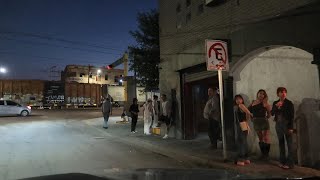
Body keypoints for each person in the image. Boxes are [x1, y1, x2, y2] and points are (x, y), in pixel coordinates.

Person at [271, 87, 295, 169]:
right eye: (281, 92)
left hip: (287, 124)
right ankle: (282, 161)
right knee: (281, 144)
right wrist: (276, 106)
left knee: (289, 144)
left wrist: (291, 127)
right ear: (278, 94)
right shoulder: (275, 102)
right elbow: (272, 113)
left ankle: (290, 163)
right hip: (278, 124)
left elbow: (292, 116)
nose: (284, 93)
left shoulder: (289, 103)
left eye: (285, 92)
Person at [248, 89, 272, 159]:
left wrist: (266, 117)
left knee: (266, 138)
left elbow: (269, 113)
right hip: (256, 121)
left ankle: (266, 155)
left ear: (264, 96)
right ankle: (263, 154)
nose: (261, 95)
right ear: (257, 94)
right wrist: (251, 118)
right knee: (260, 138)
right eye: (260, 93)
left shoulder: (265, 103)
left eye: (263, 94)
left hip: (263, 121)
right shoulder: (253, 102)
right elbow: (248, 110)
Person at [234, 95, 253, 166]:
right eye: (236, 99)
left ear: (242, 100)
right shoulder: (238, 106)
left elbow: (248, 114)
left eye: (239, 99)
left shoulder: (242, 106)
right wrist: (248, 115)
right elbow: (247, 113)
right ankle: (243, 159)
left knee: (242, 142)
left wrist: (248, 115)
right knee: (242, 142)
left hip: (242, 125)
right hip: (241, 125)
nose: (238, 100)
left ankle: (243, 158)